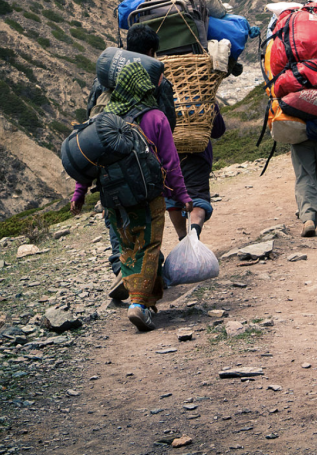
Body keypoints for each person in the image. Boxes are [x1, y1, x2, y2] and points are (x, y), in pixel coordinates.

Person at [71, 61, 192, 332]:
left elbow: (88, 159)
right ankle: (137, 304)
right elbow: (171, 163)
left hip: (113, 199)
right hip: (148, 196)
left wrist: (79, 193)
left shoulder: (102, 121)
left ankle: (148, 305)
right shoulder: (155, 117)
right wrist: (182, 195)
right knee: (149, 246)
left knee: (128, 248)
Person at [84, 25, 176, 301]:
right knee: (148, 227)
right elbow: (168, 123)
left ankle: (122, 270)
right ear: (151, 52)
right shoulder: (159, 82)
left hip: (108, 166)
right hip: (144, 167)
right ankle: (139, 284)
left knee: (118, 221)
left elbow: (91, 117)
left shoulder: (102, 82)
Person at [166, 103, 225, 239]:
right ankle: (194, 235)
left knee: (173, 196)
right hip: (198, 155)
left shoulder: (163, 96)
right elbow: (218, 131)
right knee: (197, 195)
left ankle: (183, 239)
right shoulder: (205, 98)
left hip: (169, 155)